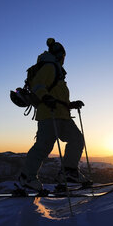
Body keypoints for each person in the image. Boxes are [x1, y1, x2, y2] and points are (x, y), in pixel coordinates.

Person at [19, 38, 89, 191]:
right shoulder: (50, 66)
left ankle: (68, 172)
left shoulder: (56, 69)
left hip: (61, 114)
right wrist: (45, 98)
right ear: (61, 56)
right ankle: (26, 178)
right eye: (64, 56)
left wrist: (70, 104)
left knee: (76, 139)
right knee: (43, 147)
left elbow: (56, 95)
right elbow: (38, 84)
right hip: (48, 114)